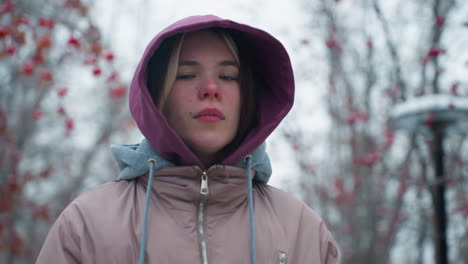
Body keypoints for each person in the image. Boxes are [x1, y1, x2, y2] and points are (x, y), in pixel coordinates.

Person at [36, 15, 339, 264]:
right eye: (186, 75)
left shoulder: (303, 231)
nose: (210, 89)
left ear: (247, 97)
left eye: (228, 76)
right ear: (158, 96)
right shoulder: (87, 225)